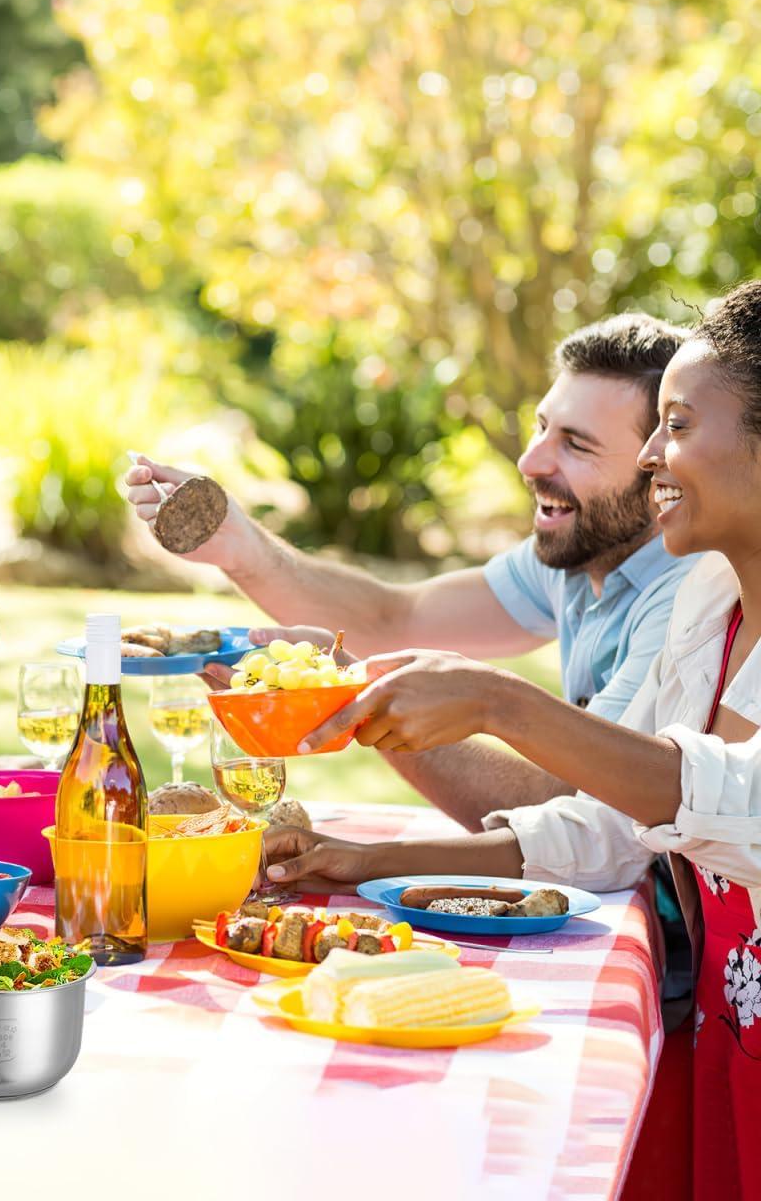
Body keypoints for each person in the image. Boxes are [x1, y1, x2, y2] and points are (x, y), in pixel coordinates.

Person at [263, 281, 761, 1201]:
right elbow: (614, 825)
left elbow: (739, 800)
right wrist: (367, 863)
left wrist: (502, 704)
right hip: (729, 1043)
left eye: (679, 425)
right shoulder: (708, 606)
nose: (652, 455)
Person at [126, 313, 699, 831]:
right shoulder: (579, 554)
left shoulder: (686, 598)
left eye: (576, 445)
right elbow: (395, 619)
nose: (530, 462)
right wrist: (242, 549)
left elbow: (570, 815)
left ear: (659, 467)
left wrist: (356, 701)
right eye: (542, 427)